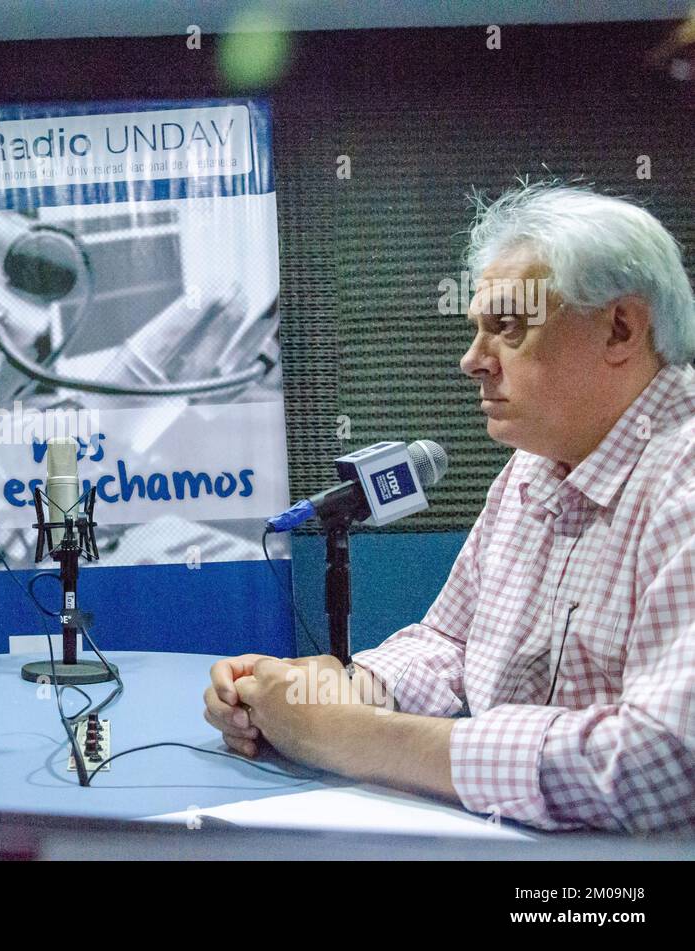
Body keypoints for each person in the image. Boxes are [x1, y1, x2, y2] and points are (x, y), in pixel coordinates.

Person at [204, 182, 695, 833]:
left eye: (508, 327)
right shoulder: (531, 468)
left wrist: (357, 737)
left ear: (620, 328)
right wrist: (337, 689)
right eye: (476, 330)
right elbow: (453, 642)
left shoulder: (683, 484)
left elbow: (663, 760)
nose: (471, 361)